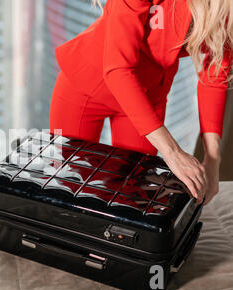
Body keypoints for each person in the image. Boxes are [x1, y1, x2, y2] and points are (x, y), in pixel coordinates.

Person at [49, 0, 232, 205]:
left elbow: (214, 77)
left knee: (131, 193)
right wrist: (173, 153)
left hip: (146, 98)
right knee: (68, 183)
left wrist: (213, 161)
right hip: (86, 84)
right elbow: (118, 69)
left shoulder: (226, 7)